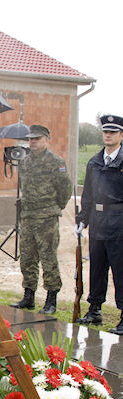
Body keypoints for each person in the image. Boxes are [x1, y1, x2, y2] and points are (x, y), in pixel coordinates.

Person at [12, 124, 72, 314]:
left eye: (37, 139)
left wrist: (55, 207)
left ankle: (51, 299)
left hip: (47, 218)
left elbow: (65, 188)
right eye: (31, 139)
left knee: (48, 258)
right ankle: (28, 296)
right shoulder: (25, 162)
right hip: (28, 217)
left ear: (46, 140)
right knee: (27, 258)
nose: (33, 142)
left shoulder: (56, 162)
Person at [75, 114, 123, 334]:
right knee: (97, 266)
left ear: (121, 135)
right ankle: (94, 309)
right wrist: (82, 219)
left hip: (119, 221)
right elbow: (88, 194)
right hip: (98, 220)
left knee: (120, 269)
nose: (108, 135)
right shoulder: (95, 161)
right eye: (105, 132)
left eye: (112, 132)